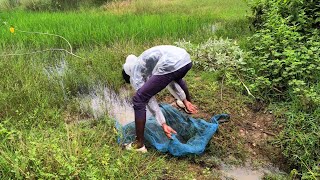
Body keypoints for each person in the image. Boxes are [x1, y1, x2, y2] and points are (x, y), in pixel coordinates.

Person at [122, 45, 198, 152]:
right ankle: (186, 104)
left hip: (173, 63)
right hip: (185, 60)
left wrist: (162, 123)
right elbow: (171, 79)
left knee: (139, 99)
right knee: (175, 77)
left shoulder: (136, 73)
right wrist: (184, 100)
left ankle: (139, 144)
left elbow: (149, 99)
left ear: (129, 75)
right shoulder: (145, 63)